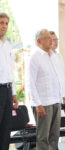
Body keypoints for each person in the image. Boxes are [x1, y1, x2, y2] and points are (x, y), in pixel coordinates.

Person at [28, 29, 65, 150]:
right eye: (47, 38)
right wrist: (38, 104)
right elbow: (30, 83)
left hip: (56, 100)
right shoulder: (34, 57)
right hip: (43, 103)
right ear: (39, 41)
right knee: (43, 137)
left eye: (51, 37)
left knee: (55, 136)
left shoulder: (54, 56)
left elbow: (58, 77)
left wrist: (63, 95)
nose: (51, 40)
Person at [0, 12, 18, 150]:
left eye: (6, 23)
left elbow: (10, 72)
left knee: (6, 129)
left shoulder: (8, 45)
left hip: (7, 90)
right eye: (1, 22)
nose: (4, 26)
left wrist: (13, 94)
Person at [49, 31, 65, 104]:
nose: (56, 42)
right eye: (54, 40)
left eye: (57, 39)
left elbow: (61, 77)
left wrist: (64, 94)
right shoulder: (47, 56)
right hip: (50, 97)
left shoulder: (59, 56)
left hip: (60, 96)